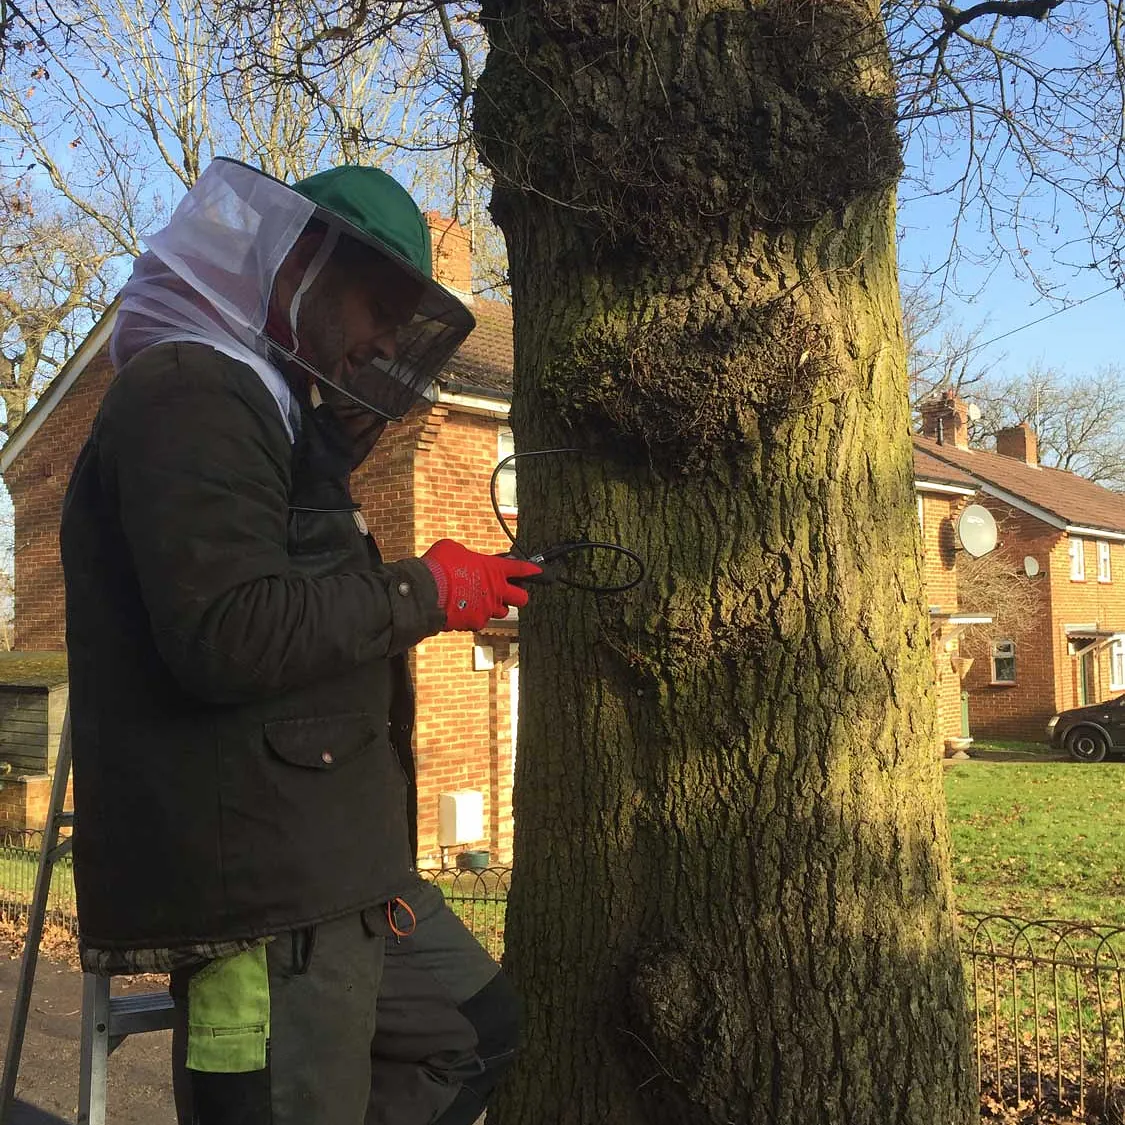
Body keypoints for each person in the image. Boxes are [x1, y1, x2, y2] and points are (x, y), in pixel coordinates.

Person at [59, 157, 540, 1125]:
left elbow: (291, 593)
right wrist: (426, 590)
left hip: (343, 874)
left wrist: (356, 505)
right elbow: (227, 631)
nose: (384, 342)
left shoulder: (270, 403)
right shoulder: (193, 382)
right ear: (298, 264)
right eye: (377, 308)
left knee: (473, 1024)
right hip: (264, 905)